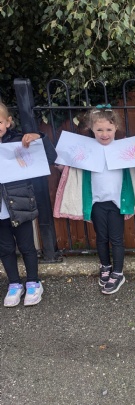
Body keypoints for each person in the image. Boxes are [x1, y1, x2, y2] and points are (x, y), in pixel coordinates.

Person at [54, 105, 135, 295]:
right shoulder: (85, 149)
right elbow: (68, 169)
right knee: (101, 238)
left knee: (116, 239)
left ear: (116, 128)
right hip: (96, 203)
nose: (104, 134)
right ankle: (105, 266)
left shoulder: (124, 149)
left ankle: (118, 273)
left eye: (108, 129)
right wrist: (62, 164)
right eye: (99, 129)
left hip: (116, 203)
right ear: (91, 128)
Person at [1, 101, 57, 307]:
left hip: (20, 206)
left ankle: (33, 282)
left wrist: (39, 138)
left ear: (8, 122)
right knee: (5, 248)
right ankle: (14, 284)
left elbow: (51, 157)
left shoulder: (19, 141)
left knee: (27, 246)